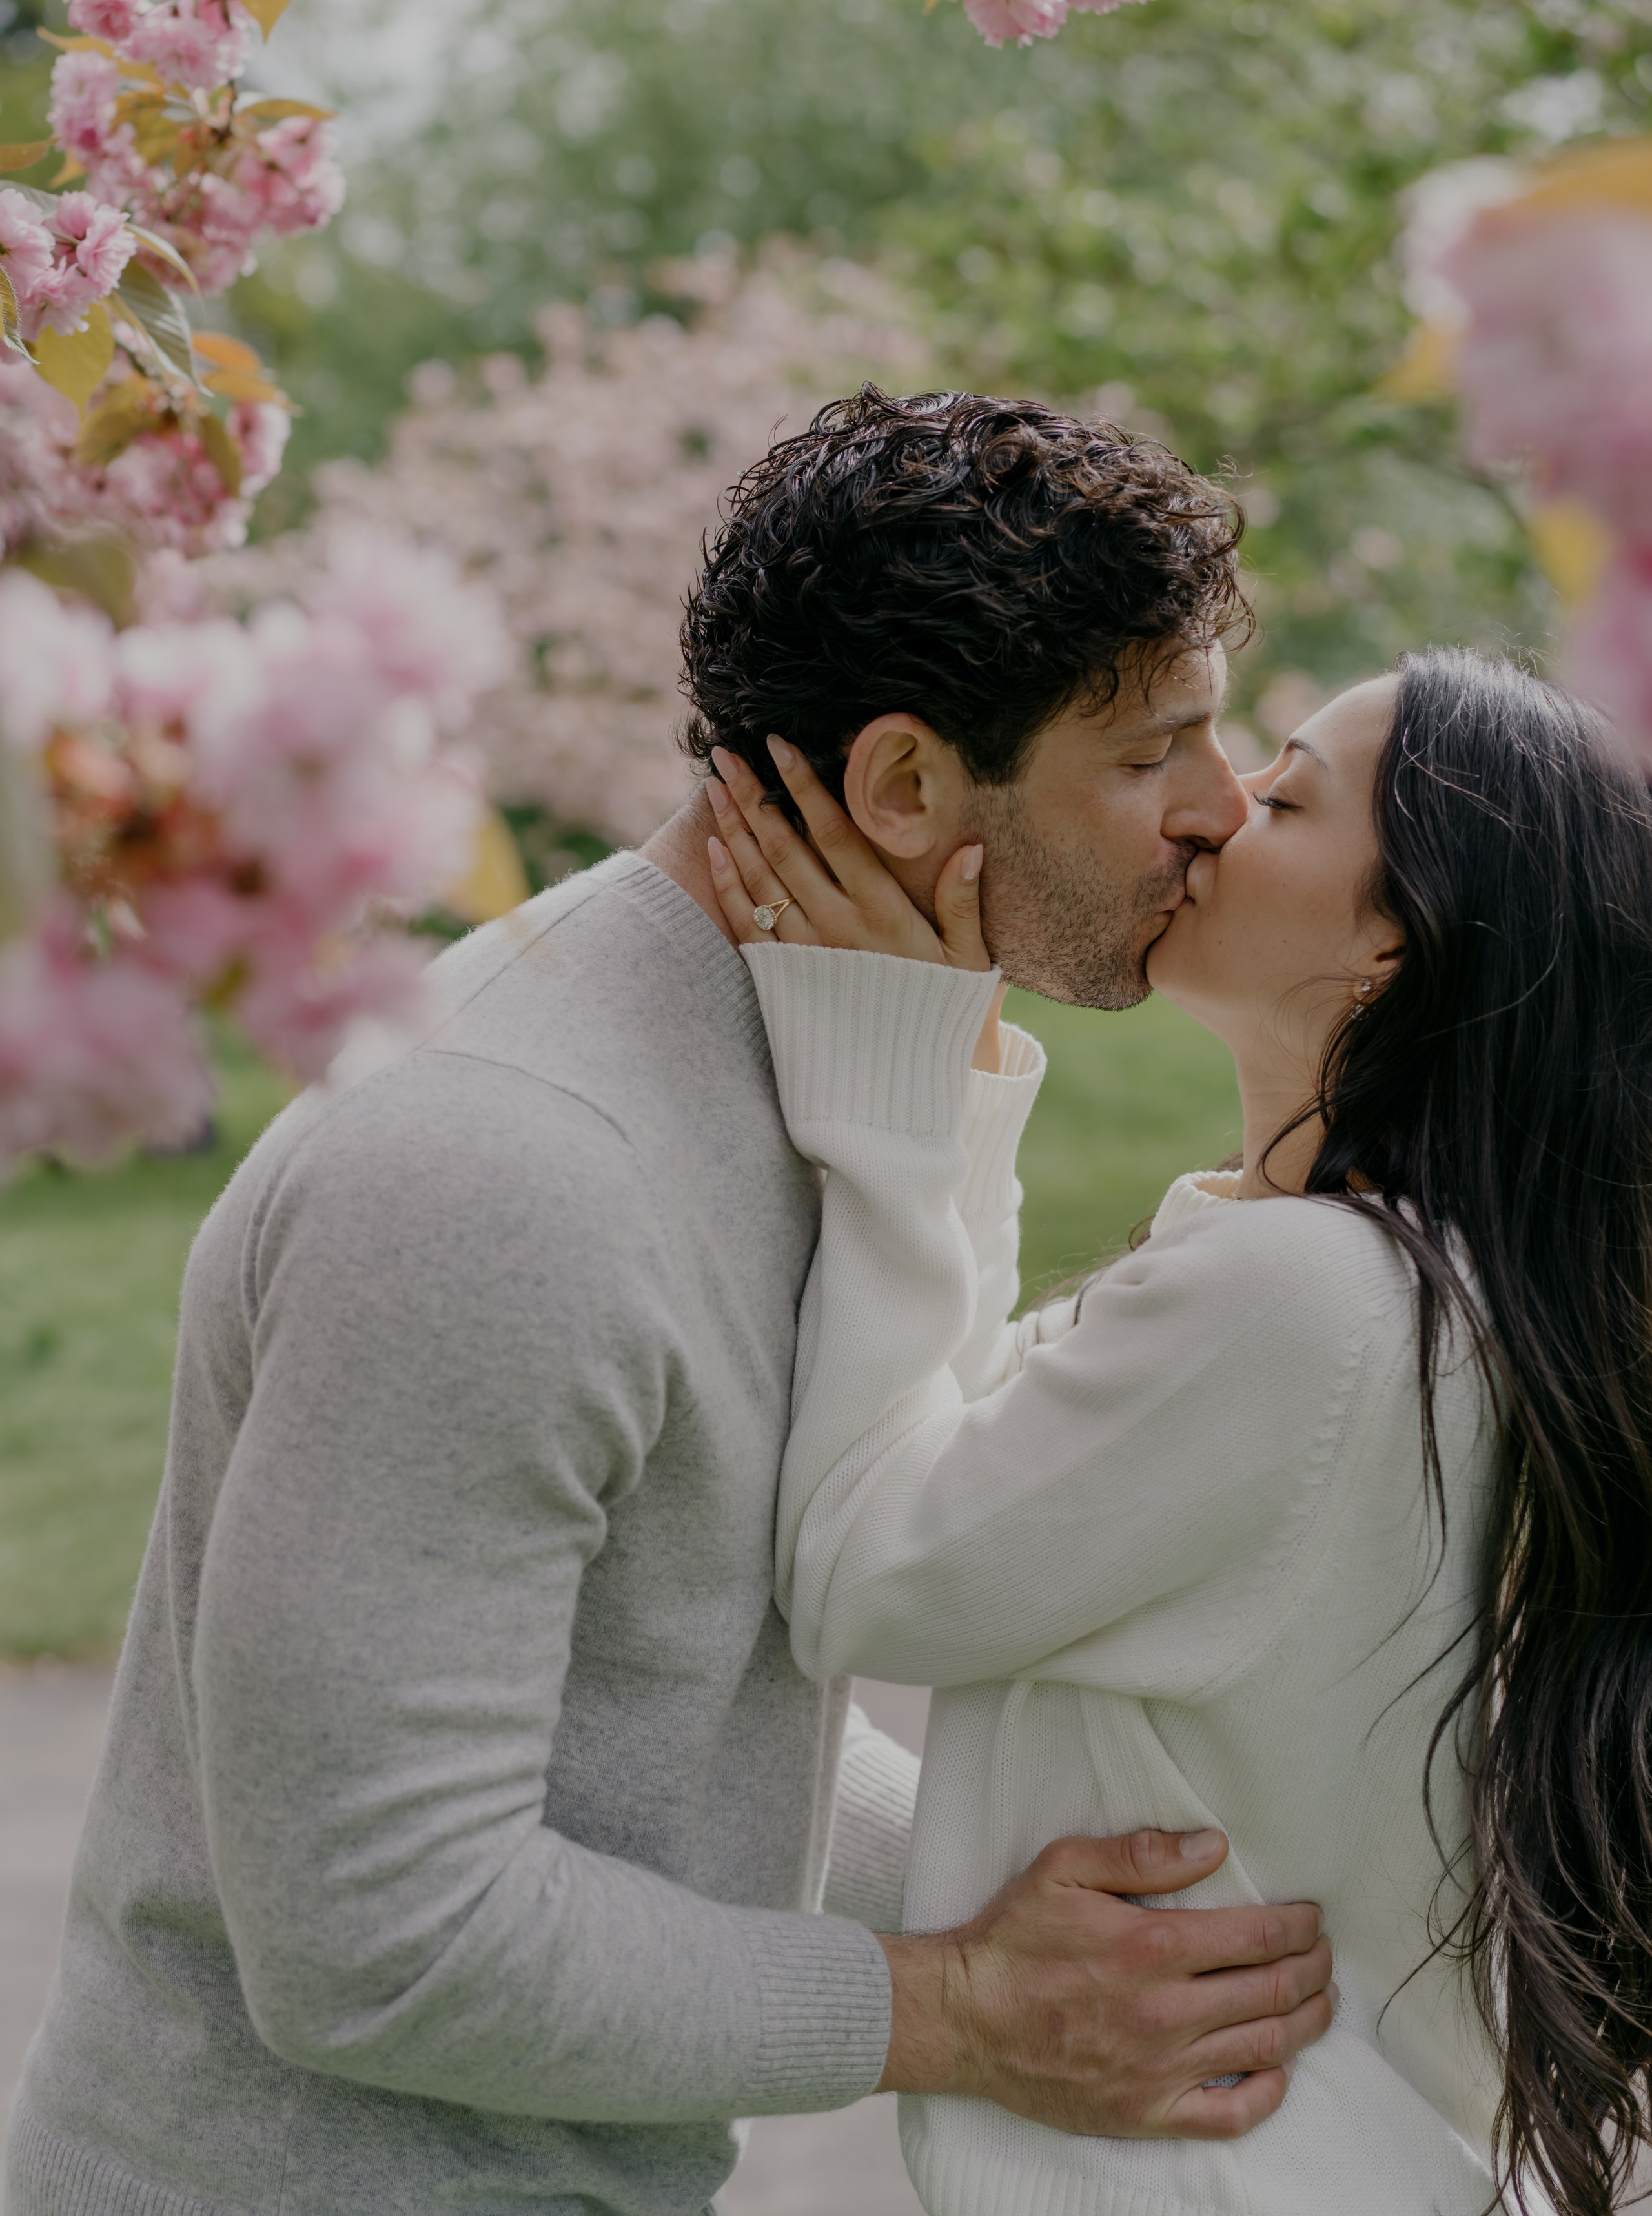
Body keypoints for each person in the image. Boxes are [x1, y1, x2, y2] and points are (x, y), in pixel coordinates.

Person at [5, 391, 1334, 2216]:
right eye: (1148, 752)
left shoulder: (800, 1053)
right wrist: (952, 2009)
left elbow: (679, 1722)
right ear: (903, 789)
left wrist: (1088, 1892)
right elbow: (379, 1932)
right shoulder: (508, 1177)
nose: (1220, 806)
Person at [703, 644, 1652, 2216]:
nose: (1210, 815)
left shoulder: (1309, 1306)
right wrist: (955, 1058)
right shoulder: (1373, 1290)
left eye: (1284, 796)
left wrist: (894, 1057)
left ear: (1391, 954)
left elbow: (860, 1573)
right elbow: (957, 1433)